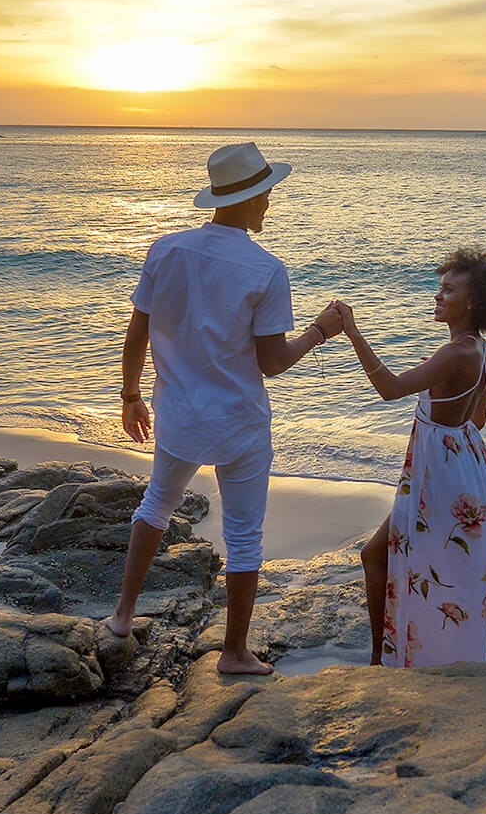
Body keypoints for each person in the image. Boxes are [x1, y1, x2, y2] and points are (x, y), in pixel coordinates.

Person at [105, 141, 343, 675]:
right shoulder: (265, 269)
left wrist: (130, 394)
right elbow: (273, 362)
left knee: (156, 506)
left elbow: (138, 329)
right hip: (239, 422)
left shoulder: (166, 250)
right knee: (243, 533)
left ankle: (122, 616)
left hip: (179, 414)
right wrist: (319, 332)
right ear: (250, 199)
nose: (268, 205)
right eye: (266, 196)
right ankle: (234, 652)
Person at [333, 247, 486, 667]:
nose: (437, 296)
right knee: (443, 569)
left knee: (377, 555)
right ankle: (425, 654)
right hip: (464, 465)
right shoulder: (481, 351)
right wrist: (435, 386)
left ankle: (384, 659)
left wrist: (353, 332)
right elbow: (478, 419)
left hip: (438, 476)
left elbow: (390, 389)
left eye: (447, 290)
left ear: (470, 302)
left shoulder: (454, 354)